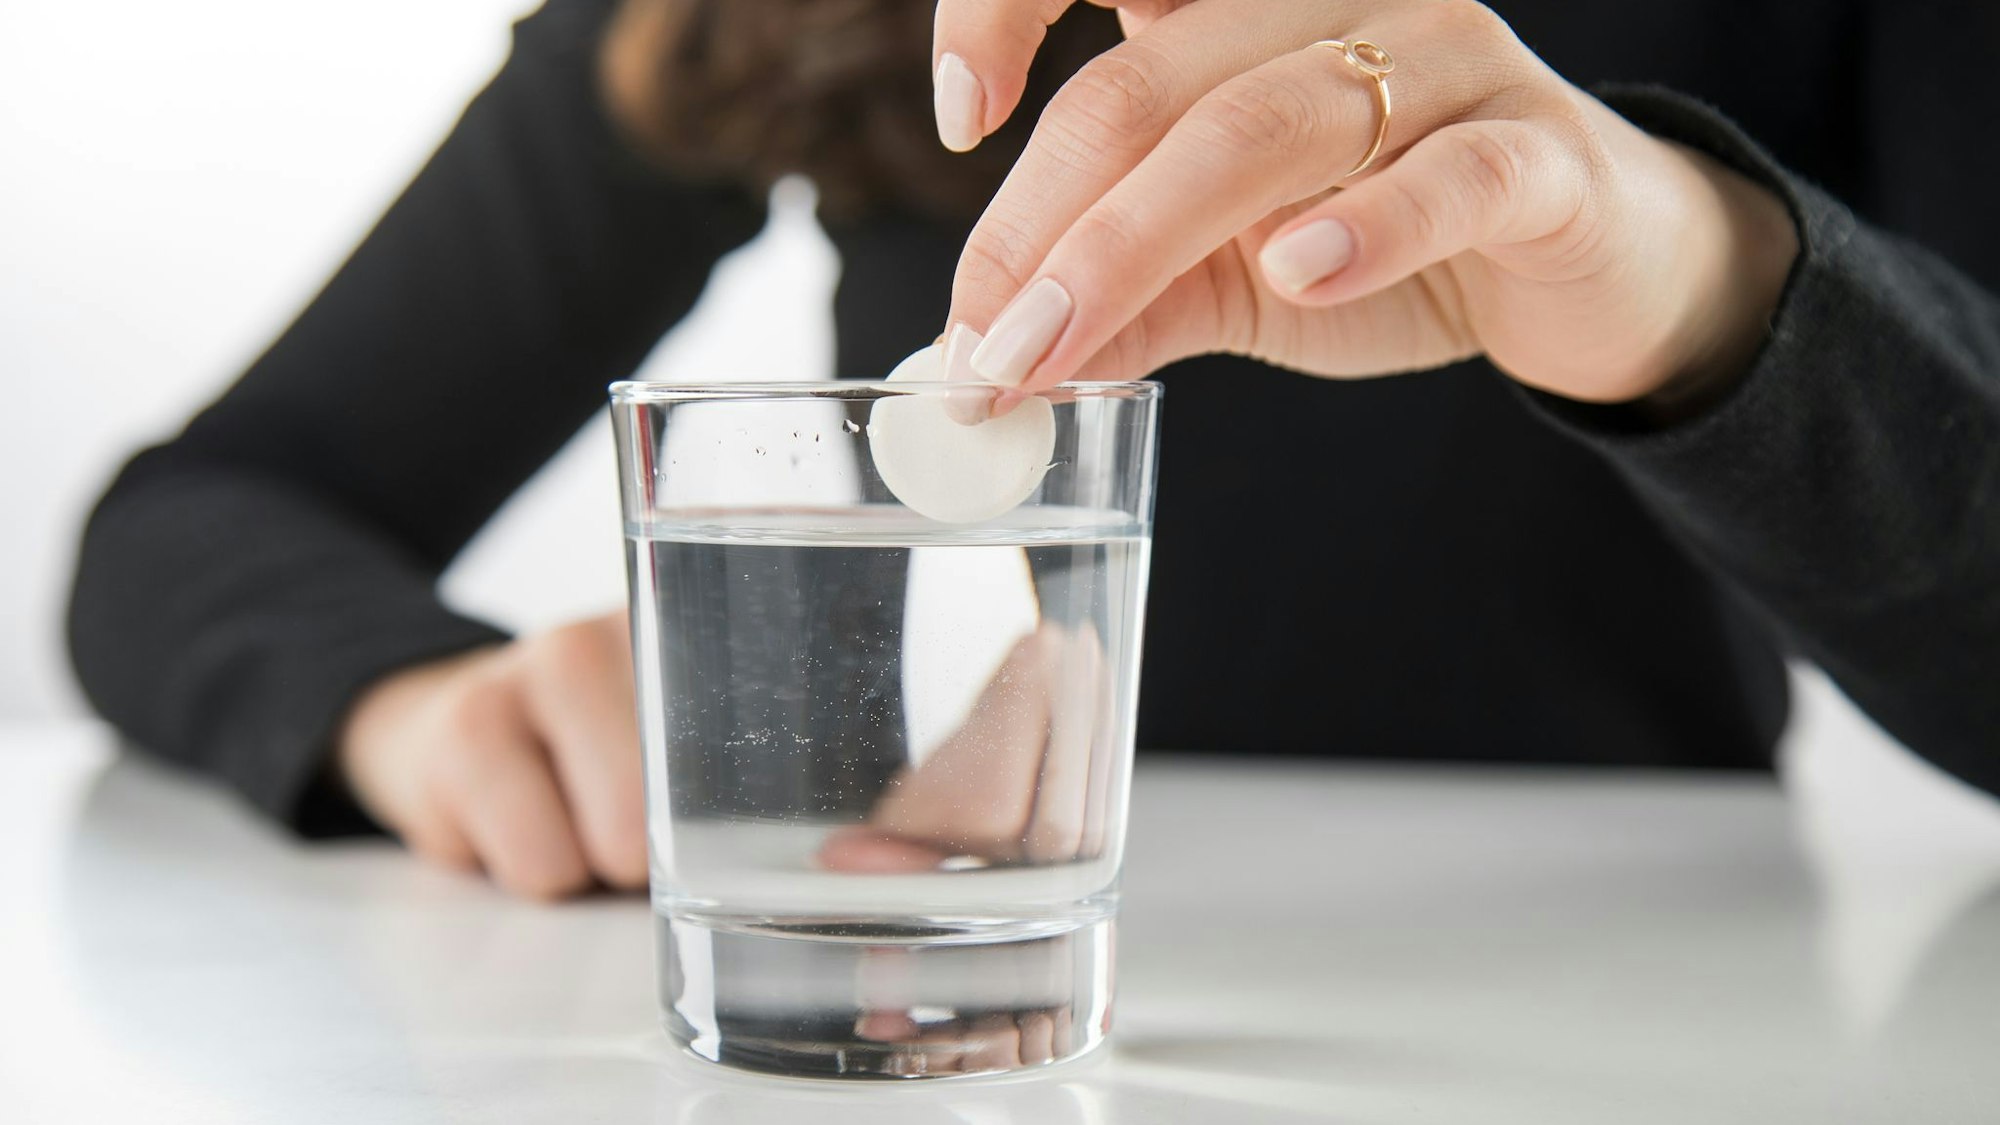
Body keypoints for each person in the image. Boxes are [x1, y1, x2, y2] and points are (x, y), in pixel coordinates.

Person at [68, 0, 1999, 900]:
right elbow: (201, 517)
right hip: (918, 1002)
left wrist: (1691, 270)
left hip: (1653, 1025)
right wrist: (421, 709)